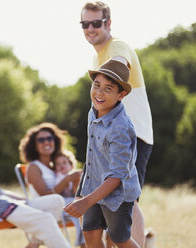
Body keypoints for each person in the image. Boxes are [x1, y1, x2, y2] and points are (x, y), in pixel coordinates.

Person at [80, 2, 153, 247]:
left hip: (133, 135)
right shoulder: (97, 54)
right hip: (106, 136)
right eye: (85, 24)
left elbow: (119, 65)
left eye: (96, 23)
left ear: (108, 23)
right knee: (108, 205)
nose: (90, 28)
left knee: (126, 202)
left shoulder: (117, 46)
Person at [64, 58, 141, 248]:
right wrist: (82, 194)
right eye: (96, 85)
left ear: (121, 95)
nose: (99, 93)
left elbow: (117, 176)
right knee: (90, 236)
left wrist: (85, 202)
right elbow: (91, 156)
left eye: (108, 89)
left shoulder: (120, 128)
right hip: (93, 187)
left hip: (118, 195)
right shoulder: (94, 111)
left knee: (119, 240)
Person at [19, 123, 86, 247]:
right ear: (34, 145)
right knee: (82, 210)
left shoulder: (55, 168)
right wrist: (67, 180)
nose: (46, 142)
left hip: (60, 206)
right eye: (41, 140)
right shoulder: (34, 167)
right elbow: (44, 195)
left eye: (50, 138)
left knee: (86, 206)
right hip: (43, 207)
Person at [53, 150, 85, 248]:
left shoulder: (74, 175)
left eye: (64, 163)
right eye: (58, 164)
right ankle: (83, 241)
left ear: (71, 165)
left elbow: (77, 193)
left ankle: (85, 239)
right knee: (79, 214)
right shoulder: (57, 177)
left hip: (73, 200)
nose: (61, 165)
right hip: (63, 203)